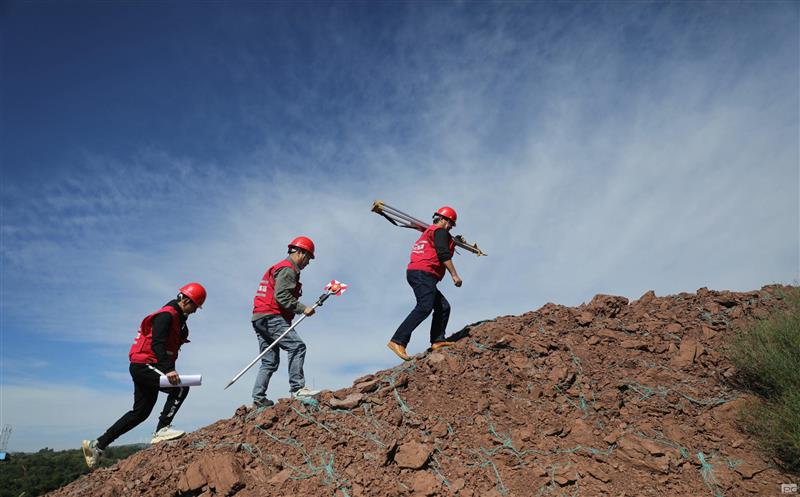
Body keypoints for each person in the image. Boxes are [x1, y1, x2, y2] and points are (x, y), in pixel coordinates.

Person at [82, 282, 207, 469]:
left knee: (140, 413)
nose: (196, 311)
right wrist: (168, 370)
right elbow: (157, 344)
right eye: (195, 306)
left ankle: (98, 444)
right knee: (180, 388)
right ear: (185, 300)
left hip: (145, 366)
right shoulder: (166, 315)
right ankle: (162, 429)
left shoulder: (178, 319)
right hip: (145, 365)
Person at [251, 236, 320, 407]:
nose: (308, 263)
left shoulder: (281, 267)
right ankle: (298, 388)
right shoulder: (288, 269)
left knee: (269, 361)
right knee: (297, 346)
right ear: (301, 253)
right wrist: (302, 308)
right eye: (308, 258)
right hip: (271, 316)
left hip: (260, 318)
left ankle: (258, 398)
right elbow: (281, 296)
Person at [388, 206, 463, 361]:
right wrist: (454, 275)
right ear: (443, 219)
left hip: (419, 273)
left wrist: (453, 243)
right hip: (423, 273)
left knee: (443, 307)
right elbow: (443, 254)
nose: (450, 227)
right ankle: (397, 341)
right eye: (450, 223)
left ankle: (438, 340)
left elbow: (442, 248)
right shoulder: (440, 232)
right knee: (424, 306)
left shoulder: (430, 232)